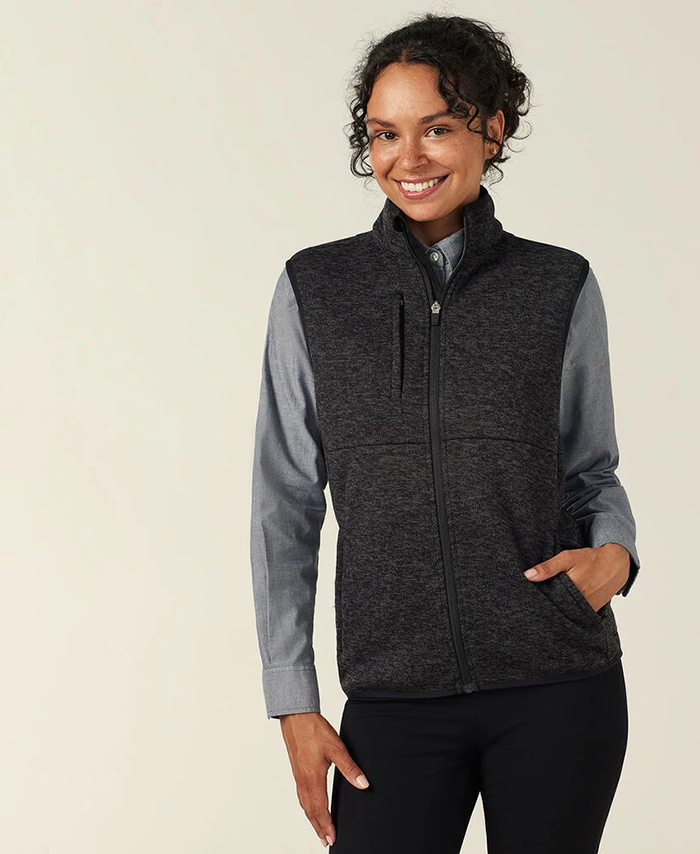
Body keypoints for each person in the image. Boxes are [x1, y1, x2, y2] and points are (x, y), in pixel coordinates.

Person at [250, 13, 640, 853]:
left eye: (436, 128)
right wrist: (293, 700)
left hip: (557, 684)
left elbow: (590, 470)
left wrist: (616, 550)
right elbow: (285, 504)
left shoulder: (557, 285)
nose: (408, 158)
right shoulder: (316, 289)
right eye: (385, 134)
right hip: (393, 697)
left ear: (490, 131)